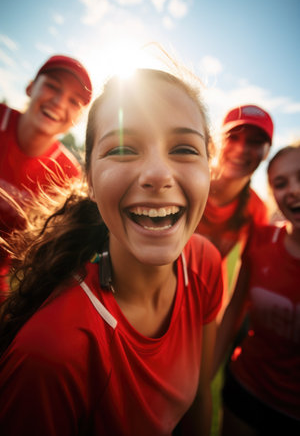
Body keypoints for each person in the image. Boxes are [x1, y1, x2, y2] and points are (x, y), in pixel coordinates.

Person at [0, 67, 223, 436]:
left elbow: (199, 401)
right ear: (88, 178)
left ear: (208, 168)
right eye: (121, 148)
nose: (157, 174)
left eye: (184, 148)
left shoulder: (205, 263)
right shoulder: (49, 354)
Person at [214, 142, 300, 435]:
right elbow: (235, 310)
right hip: (246, 389)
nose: (293, 190)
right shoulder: (262, 240)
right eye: (280, 183)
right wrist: (204, 378)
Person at [0, 54, 93, 301]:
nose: (60, 102)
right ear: (31, 87)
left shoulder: (68, 175)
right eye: (52, 86)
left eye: (74, 101)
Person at [195, 104, 273, 312]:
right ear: (216, 142)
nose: (241, 149)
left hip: (206, 303)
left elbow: (244, 282)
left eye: (255, 142)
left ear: (266, 153)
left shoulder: (256, 208)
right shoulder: (190, 182)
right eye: (233, 137)